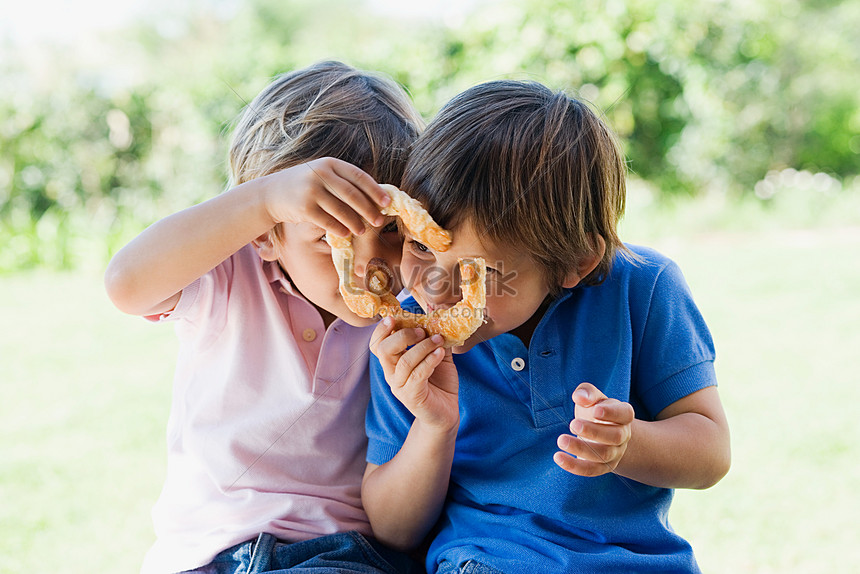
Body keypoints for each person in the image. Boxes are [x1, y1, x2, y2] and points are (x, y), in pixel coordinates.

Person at [362, 80, 731, 573]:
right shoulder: (401, 348)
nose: (434, 289)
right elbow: (393, 529)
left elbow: (710, 452)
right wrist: (434, 423)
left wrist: (627, 445)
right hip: (486, 559)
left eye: (481, 274)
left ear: (574, 262)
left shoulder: (643, 289)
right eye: (423, 247)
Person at [104, 61, 424, 574]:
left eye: (390, 233)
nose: (370, 267)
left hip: (342, 552)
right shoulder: (227, 274)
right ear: (268, 233)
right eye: (329, 238)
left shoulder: (413, 313)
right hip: (205, 551)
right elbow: (125, 284)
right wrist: (264, 198)